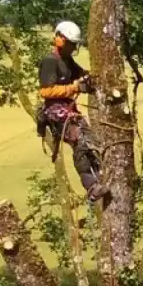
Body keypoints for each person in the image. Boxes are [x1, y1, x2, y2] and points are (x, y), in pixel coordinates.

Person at [37, 21, 109, 203]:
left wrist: (89, 78)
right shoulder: (50, 61)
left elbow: (81, 74)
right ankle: (91, 187)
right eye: (70, 43)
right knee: (80, 142)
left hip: (70, 109)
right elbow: (46, 91)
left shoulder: (67, 61)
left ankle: (100, 177)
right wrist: (74, 88)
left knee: (92, 141)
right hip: (56, 111)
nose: (73, 47)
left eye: (74, 44)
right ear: (59, 39)